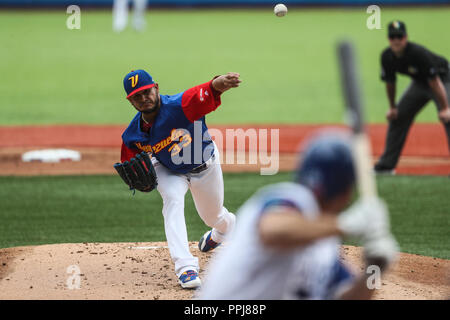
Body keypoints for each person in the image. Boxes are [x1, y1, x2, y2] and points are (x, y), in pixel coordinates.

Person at [198, 132, 398, 299]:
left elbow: (345, 296)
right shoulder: (290, 199)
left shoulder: (325, 245)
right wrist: (346, 224)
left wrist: (374, 270)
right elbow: (272, 230)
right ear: (346, 191)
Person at [118, 69, 241, 289]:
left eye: (146, 92)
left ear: (156, 88)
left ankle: (223, 229)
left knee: (214, 216)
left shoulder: (179, 105)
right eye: (137, 96)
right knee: (172, 200)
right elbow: (129, 163)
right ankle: (186, 268)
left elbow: (204, 91)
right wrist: (137, 179)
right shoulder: (132, 135)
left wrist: (219, 83)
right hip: (168, 170)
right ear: (130, 101)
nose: (143, 98)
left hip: (204, 167)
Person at [375, 20, 450, 174]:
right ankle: (386, 166)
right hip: (419, 83)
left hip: (443, 80)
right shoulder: (387, 56)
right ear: (388, 39)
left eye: (399, 37)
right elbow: (390, 83)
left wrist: (445, 108)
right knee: (398, 117)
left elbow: (435, 82)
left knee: (449, 117)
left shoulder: (417, 53)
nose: (396, 41)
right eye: (392, 37)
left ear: (406, 37)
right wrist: (393, 108)